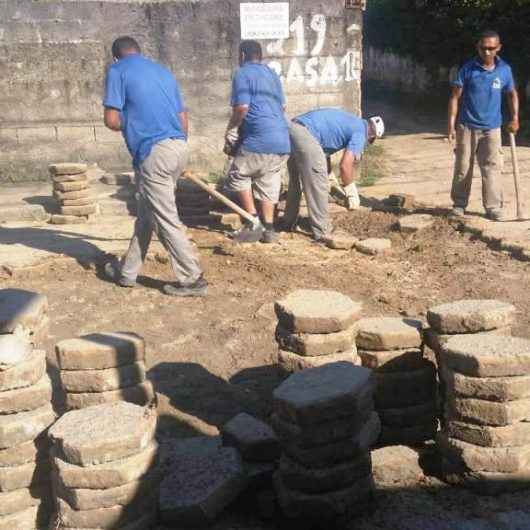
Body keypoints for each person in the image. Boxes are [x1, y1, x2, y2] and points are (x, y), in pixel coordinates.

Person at [102, 36, 207, 297]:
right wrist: (176, 144)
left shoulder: (117, 71)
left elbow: (112, 120)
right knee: (147, 213)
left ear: (116, 56)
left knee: (165, 217)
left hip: (153, 152)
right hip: (177, 147)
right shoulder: (162, 71)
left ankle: (192, 278)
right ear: (139, 51)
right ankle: (127, 272)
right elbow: (183, 116)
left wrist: (133, 121)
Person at [223, 40, 290, 244]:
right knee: (267, 179)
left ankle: (253, 221)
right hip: (282, 139)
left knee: (237, 175)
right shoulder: (272, 74)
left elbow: (242, 107)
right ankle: (269, 229)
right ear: (260, 56)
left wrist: (231, 129)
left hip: (260, 137)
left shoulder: (242, 73)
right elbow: (283, 107)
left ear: (242, 56)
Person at [448, 29, 519, 221]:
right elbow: (455, 97)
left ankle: (493, 207)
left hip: (492, 128)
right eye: (483, 48)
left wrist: (515, 118)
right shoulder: (468, 69)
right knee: (463, 167)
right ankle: (459, 204)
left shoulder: (504, 70)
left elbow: (512, 94)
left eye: (491, 48)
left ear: (498, 48)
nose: (486, 52)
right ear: (477, 47)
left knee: (492, 167)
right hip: (467, 126)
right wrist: (451, 126)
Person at [282, 109, 384, 242]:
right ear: (372, 136)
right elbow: (345, 165)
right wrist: (351, 192)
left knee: (296, 183)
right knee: (318, 186)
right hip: (306, 135)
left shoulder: (352, 121)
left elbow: (323, 150)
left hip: (293, 128)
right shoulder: (361, 133)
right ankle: (322, 231)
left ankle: (287, 222)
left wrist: (329, 174)